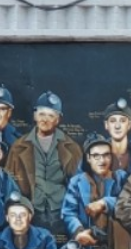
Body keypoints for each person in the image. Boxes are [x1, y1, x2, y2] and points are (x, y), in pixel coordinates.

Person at [63, 134, 131, 249]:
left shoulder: (121, 178)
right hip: (89, 247)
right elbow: (68, 213)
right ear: (88, 158)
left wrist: (106, 202)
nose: (102, 160)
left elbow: (130, 203)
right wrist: (79, 232)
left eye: (106, 155)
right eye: (96, 156)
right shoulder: (77, 182)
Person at [5, 91, 80, 237]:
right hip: (32, 213)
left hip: (62, 213)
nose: (45, 119)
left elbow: (79, 184)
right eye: (41, 114)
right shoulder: (18, 147)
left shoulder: (71, 147)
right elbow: (9, 182)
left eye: (51, 115)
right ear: (35, 116)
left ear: (58, 119)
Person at [102, 98, 131, 176]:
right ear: (106, 125)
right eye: (113, 121)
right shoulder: (95, 154)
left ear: (129, 125)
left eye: (122, 121)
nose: (117, 126)